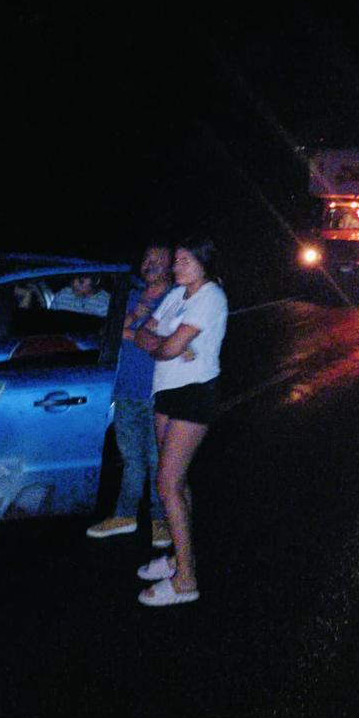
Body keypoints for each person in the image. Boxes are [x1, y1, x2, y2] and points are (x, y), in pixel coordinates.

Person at [132, 237, 228, 607]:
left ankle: (186, 580)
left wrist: (164, 344)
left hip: (195, 393)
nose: (176, 266)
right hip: (167, 392)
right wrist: (165, 343)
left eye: (184, 260)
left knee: (166, 484)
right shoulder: (176, 294)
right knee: (178, 481)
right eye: (176, 261)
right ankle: (178, 557)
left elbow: (166, 346)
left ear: (203, 262)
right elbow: (146, 332)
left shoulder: (210, 297)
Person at [86, 243, 173, 547]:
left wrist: (130, 333)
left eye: (157, 260)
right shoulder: (132, 295)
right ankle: (125, 515)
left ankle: (161, 521)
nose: (149, 264)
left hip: (157, 394)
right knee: (131, 459)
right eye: (146, 258)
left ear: (170, 264)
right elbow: (109, 332)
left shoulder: (174, 298)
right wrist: (134, 317)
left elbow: (160, 342)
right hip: (126, 391)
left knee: (156, 459)